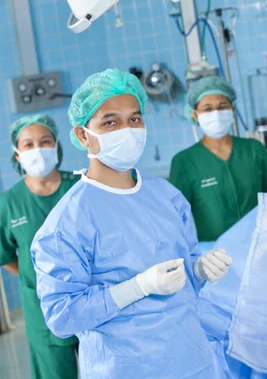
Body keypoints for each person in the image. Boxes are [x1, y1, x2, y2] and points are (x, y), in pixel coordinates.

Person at [30, 69, 232, 378]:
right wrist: (136, 288)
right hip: (125, 368)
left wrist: (198, 270)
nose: (127, 129)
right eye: (110, 122)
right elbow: (62, 317)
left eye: (135, 119)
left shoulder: (167, 196)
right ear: (83, 135)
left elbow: (183, 272)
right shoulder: (66, 223)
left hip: (191, 360)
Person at [0, 115, 78, 379]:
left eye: (45, 141)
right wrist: (35, 278)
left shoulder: (80, 186)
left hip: (90, 297)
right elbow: (5, 255)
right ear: (17, 155)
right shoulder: (9, 203)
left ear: (56, 145)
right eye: (28, 144)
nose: (38, 149)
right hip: (41, 307)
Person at [170, 76, 267, 242]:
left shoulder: (253, 149)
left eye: (222, 106)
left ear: (233, 108)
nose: (215, 113)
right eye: (207, 108)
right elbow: (175, 217)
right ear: (195, 114)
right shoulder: (184, 162)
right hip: (214, 255)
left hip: (261, 244)